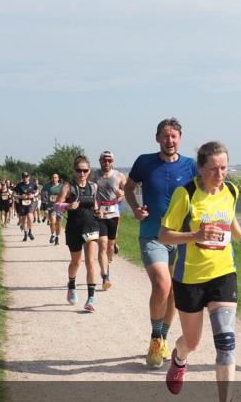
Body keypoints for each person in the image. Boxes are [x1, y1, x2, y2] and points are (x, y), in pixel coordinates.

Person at [159, 141, 241, 402]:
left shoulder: (231, 191)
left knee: (226, 341)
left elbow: (230, 217)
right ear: (200, 168)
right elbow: (164, 235)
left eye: (224, 168)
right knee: (192, 342)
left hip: (223, 274)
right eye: (214, 169)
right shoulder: (186, 194)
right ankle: (179, 358)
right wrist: (195, 235)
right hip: (189, 278)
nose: (220, 174)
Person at [125, 118, 197, 368]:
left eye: (174, 136)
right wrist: (135, 209)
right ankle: (155, 337)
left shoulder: (190, 166)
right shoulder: (144, 162)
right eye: (165, 136)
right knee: (162, 285)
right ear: (157, 138)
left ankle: (164, 338)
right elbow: (128, 188)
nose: (169, 140)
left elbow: (203, 194)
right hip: (152, 235)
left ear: (180, 139)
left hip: (181, 238)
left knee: (174, 291)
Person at [56, 156, 101, 312]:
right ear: (74, 170)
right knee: (76, 262)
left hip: (91, 226)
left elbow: (95, 205)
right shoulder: (68, 187)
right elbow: (56, 205)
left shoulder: (93, 187)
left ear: (89, 171)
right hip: (74, 227)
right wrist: (68, 205)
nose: (82, 173)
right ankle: (71, 284)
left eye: (85, 170)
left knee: (91, 262)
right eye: (79, 170)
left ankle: (90, 299)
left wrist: (99, 212)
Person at [93, 150, 126, 290]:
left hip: (113, 213)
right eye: (104, 160)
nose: (106, 163)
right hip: (100, 214)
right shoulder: (94, 175)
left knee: (110, 246)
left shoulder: (119, 176)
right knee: (103, 244)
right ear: (100, 161)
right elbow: (90, 193)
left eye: (109, 160)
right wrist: (95, 207)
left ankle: (108, 260)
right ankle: (105, 276)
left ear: (112, 161)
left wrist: (121, 194)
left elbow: (126, 191)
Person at [14, 172, 37, 242]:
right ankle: (25, 234)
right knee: (23, 219)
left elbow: (38, 191)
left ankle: (30, 231)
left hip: (30, 203)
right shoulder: (19, 185)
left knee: (30, 217)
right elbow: (14, 194)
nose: (25, 178)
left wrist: (33, 195)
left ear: (29, 177)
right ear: (22, 178)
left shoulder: (33, 184)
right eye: (24, 177)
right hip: (22, 204)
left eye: (26, 177)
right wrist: (20, 196)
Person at [44, 172, 64, 245]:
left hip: (60, 207)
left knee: (58, 223)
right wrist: (45, 201)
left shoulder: (62, 186)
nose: (54, 179)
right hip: (51, 207)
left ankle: (57, 237)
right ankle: (52, 234)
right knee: (52, 221)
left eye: (55, 177)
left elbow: (65, 195)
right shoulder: (48, 186)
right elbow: (42, 192)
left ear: (58, 179)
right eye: (53, 177)